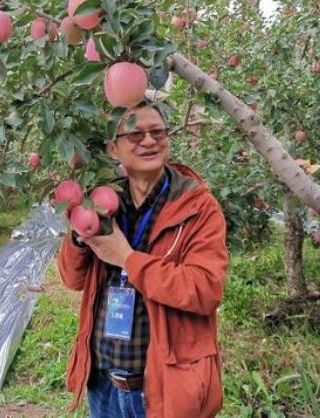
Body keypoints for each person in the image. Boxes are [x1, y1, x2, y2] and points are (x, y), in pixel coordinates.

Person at [57, 99, 229, 418]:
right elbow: (71, 279)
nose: (149, 141)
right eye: (136, 135)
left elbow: (205, 290)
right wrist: (80, 238)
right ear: (112, 149)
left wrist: (127, 259)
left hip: (163, 384)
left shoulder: (198, 208)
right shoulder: (103, 201)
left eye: (158, 133)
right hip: (103, 382)